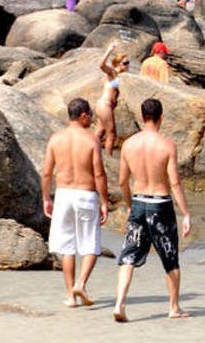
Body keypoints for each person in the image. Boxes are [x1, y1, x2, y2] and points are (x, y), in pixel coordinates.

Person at [114, 98, 192, 322]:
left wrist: (130, 205)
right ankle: (174, 307)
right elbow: (175, 183)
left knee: (128, 256)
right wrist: (186, 213)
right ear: (161, 117)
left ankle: (119, 303)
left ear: (142, 116)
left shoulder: (129, 144)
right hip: (161, 205)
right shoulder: (167, 145)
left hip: (138, 202)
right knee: (170, 257)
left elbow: (121, 182)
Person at [41, 98, 109, 308]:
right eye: (90, 114)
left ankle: (71, 296)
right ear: (83, 116)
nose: (92, 118)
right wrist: (104, 202)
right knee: (90, 244)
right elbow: (98, 173)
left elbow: (46, 173)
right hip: (85, 195)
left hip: (63, 195)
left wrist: (46, 198)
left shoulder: (55, 139)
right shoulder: (90, 140)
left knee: (67, 247)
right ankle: (81, 283)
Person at [96, 42, 128, 153]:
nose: (128, 65)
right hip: (105, 105)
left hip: (104, 106)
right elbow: (101, 66)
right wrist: (109, 50)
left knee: (99, 132)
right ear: (118, 64)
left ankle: (88, 152)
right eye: (125, 63)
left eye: (128, 63)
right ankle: (108, 157)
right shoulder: (113, 73)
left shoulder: (122, 76)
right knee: (111, 135)